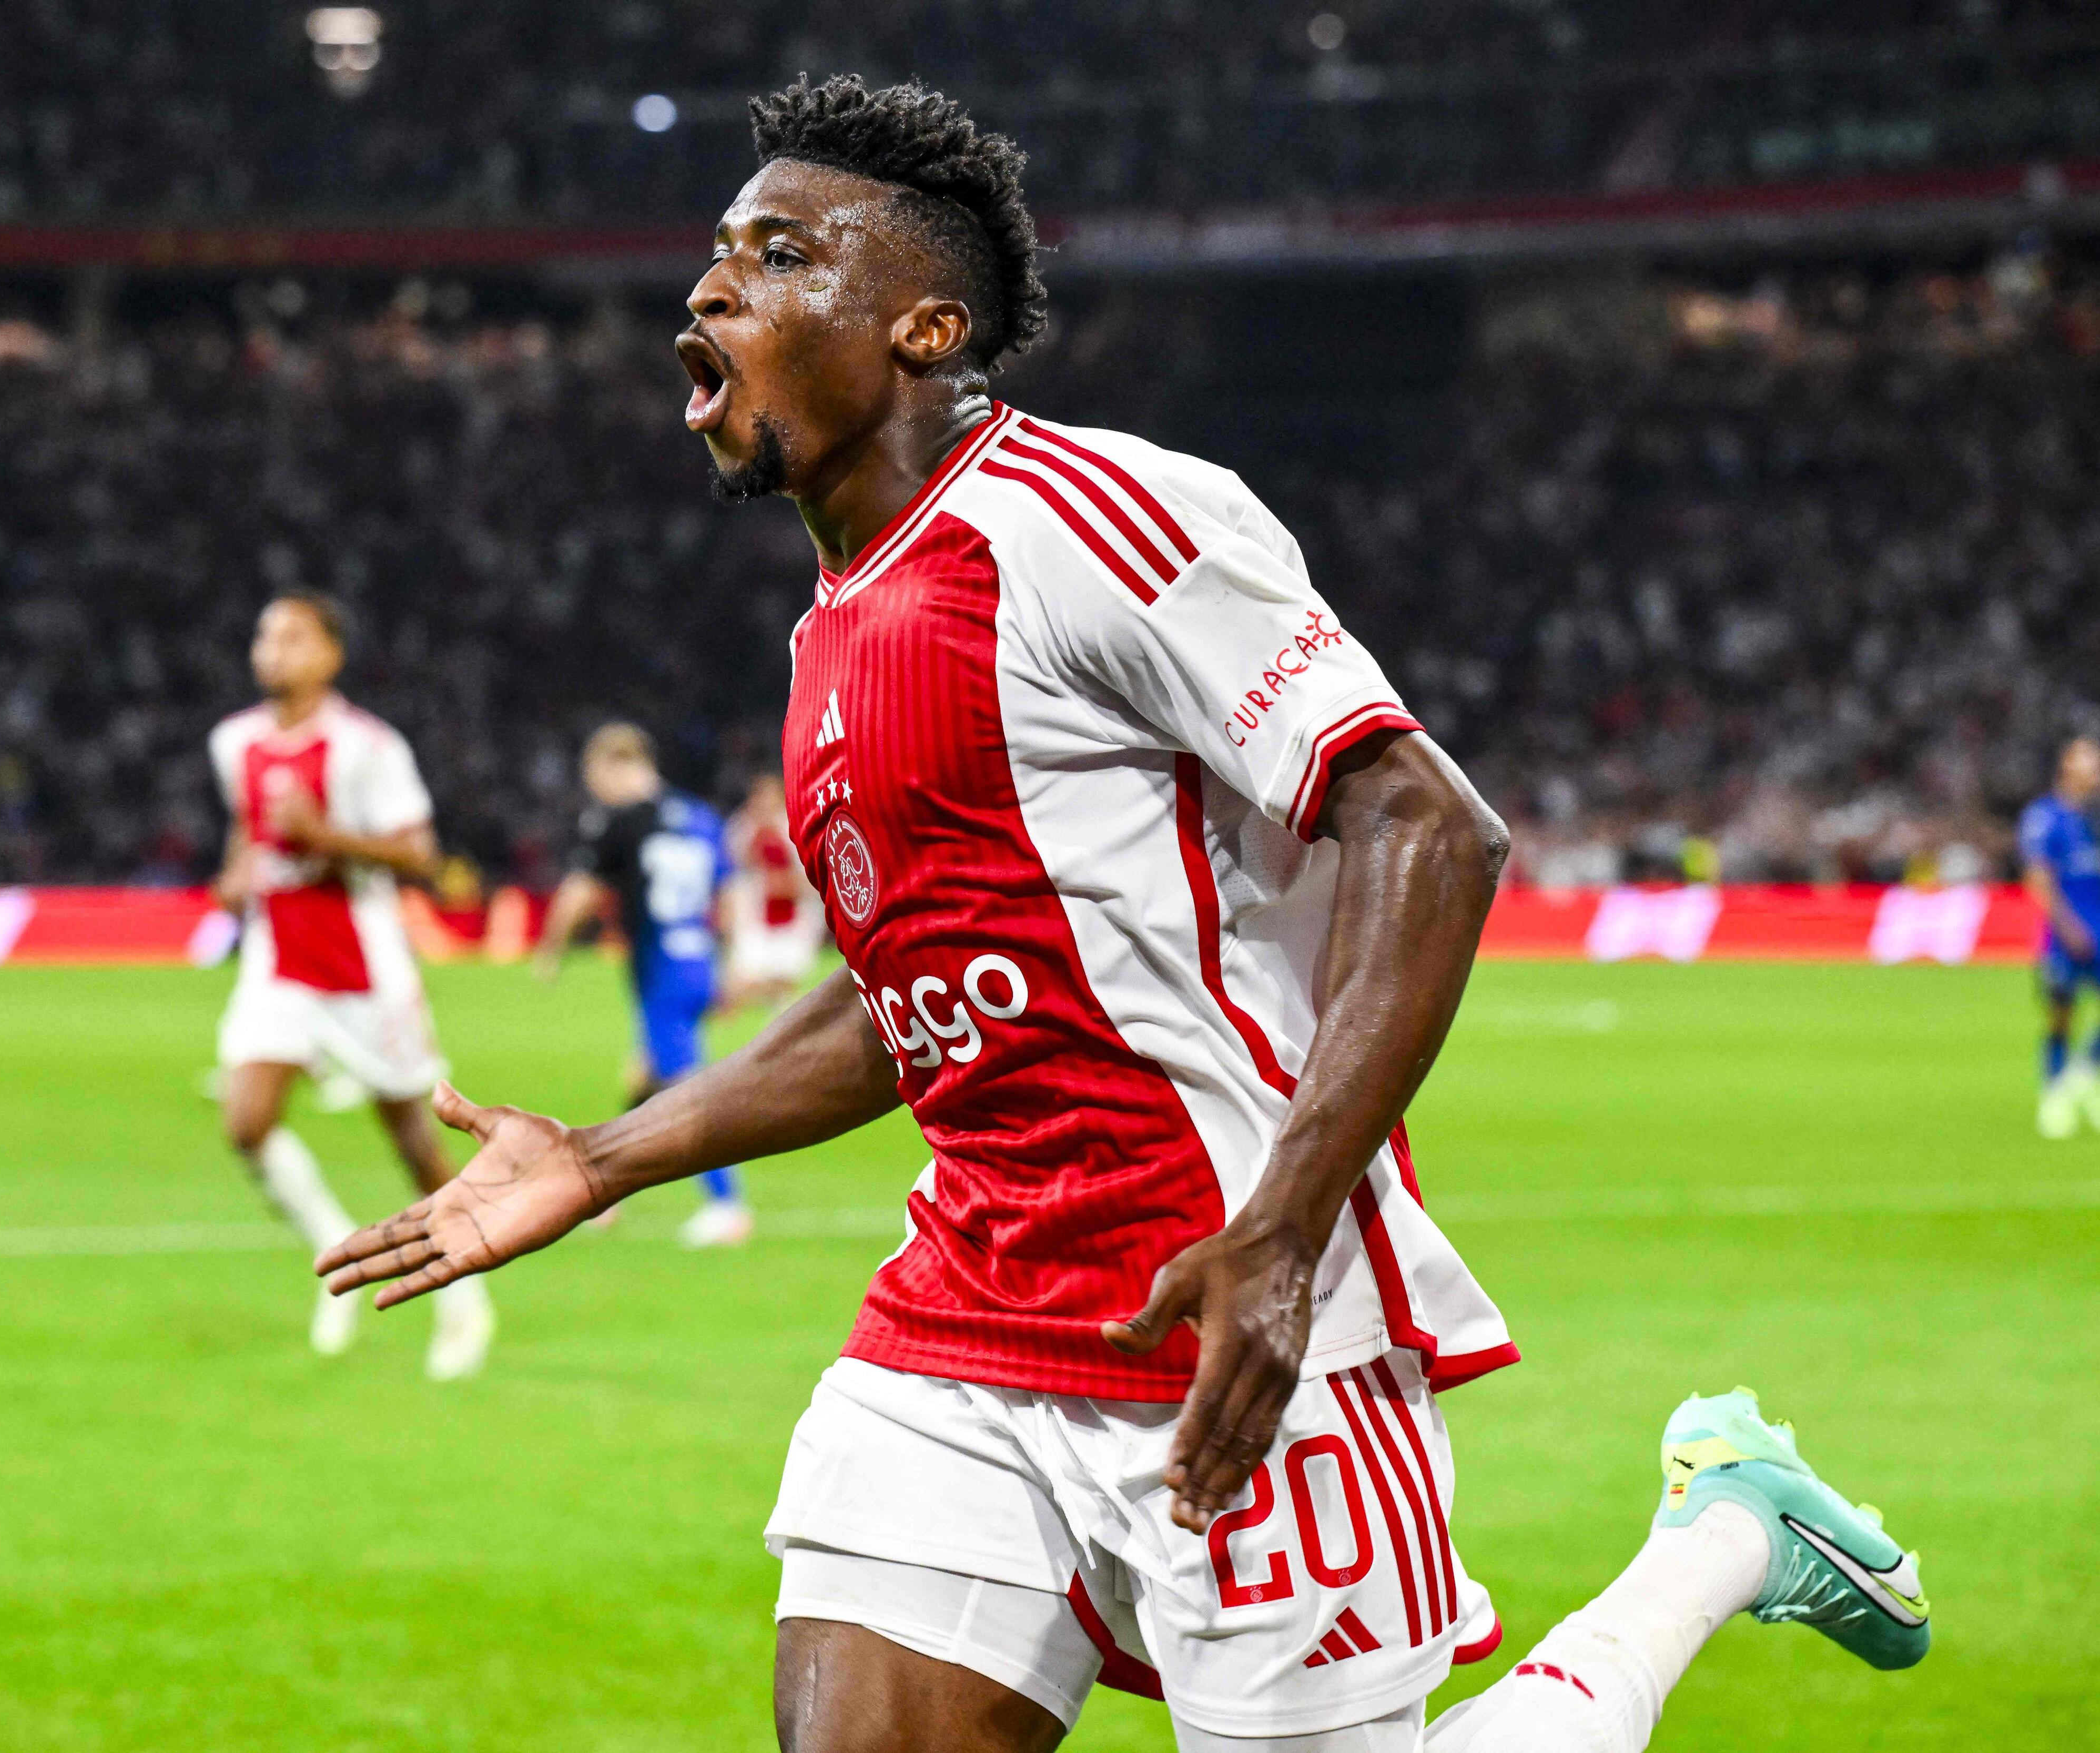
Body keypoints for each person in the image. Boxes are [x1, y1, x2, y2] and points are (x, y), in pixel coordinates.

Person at [318, 77, 1929, 1751]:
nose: (709, 292)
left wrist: (1287, 1231)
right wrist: (604, 1156)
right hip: (965, 1315)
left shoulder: (1083, 522)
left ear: (924, 326)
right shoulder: (831, 637)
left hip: (1226, 1299)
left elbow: (1427, 824)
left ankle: (1724, 1531)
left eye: (778, 256)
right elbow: (908, 999)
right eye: (713, 258)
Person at [208, 593, 493, 1378]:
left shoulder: (368, 746)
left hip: (363, 970)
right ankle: (338, 1255)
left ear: (330, 655)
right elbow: (247, 829)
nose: (274, 649)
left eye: (294, 637)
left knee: (412, 1139)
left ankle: (464, 1295)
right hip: (278, 963)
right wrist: (237, 877)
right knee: (246, 1122)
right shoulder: (234, 742)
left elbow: (420, 855)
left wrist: (323, 838)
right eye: (266, 634)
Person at [533, 723, 752, 1248]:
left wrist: (549, 950)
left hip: (661, 973)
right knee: (644, 1080)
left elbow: (581, 892)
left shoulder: (618, 820)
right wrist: (735, 963)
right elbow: (734, 890)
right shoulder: (698, 815)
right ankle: (604, 1193)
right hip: (698, 961)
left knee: (687, 1091)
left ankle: (727, 1205)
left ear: (610, 768)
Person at [2021, 734, 2100, 1138]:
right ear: (2068, 766)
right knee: (2060, 1016)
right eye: (2089, 762)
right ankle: (2054, 1096)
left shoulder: (2095, 820)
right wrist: (2068, 928)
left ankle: (2084, 1074)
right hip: (2066, 936)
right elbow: (2038, 877)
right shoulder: (2045, 816)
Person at [725, 771, 829, 1011]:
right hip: (756, 916)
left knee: (787, 977)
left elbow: (811, 877)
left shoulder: (794, 827)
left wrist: (785, 885)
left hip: (794, 917)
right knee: (746, 979)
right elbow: (736, 873)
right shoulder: (742, 829)